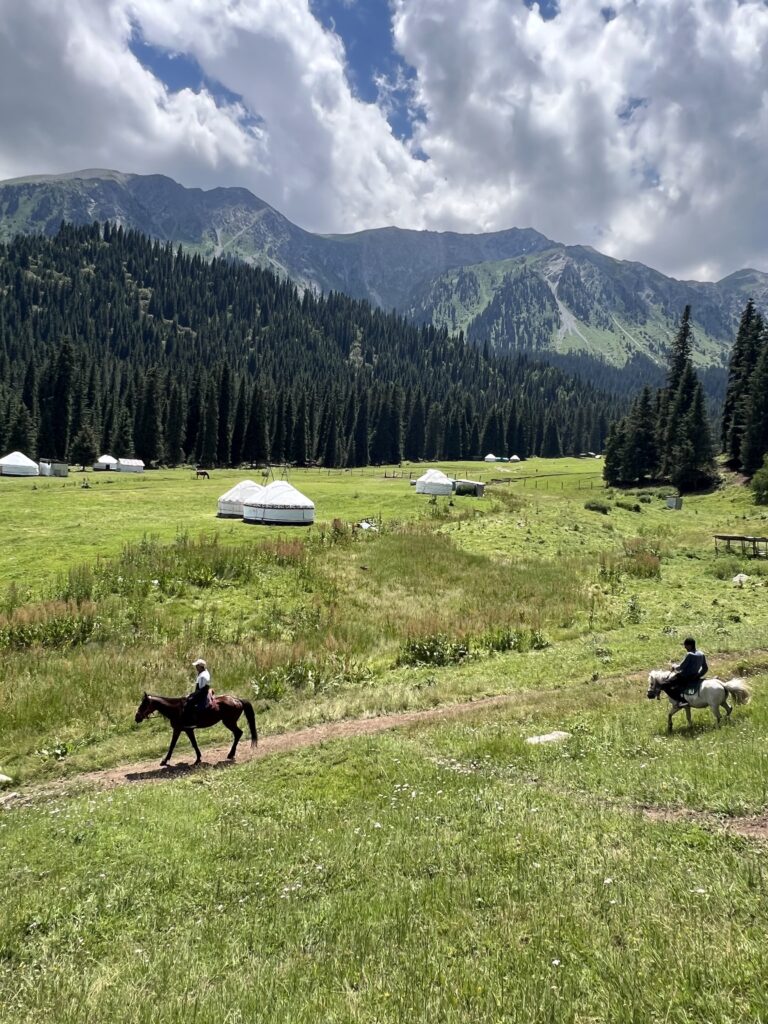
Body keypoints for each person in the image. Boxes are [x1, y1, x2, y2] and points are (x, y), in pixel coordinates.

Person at [665, 638, 708, 705]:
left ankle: (681, 701)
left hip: (685, 676)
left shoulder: (689, 655)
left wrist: (674, 666)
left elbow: (680, 667)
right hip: (695, 676)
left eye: (685, 645)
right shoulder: (701, 654)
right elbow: (705, 668)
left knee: (667, 684)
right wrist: (698, 675)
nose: (685, 647)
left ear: (690, 646)